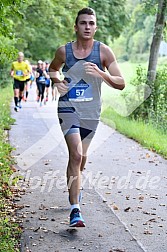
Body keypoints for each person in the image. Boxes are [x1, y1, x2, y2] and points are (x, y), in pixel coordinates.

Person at [49, 7, 125, 227]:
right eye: (83, 23)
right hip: (68, 108)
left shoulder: (104, 52)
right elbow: (54, 69)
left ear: (96, 27)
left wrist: (101, 73)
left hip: (91, 112)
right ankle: (75, 210)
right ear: (76, 26)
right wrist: (57, 81)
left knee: (81, 158)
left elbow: (121, 83)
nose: (87, 27)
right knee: (76, 154)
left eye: (91, 23)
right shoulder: (65, 51)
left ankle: (75, 188)